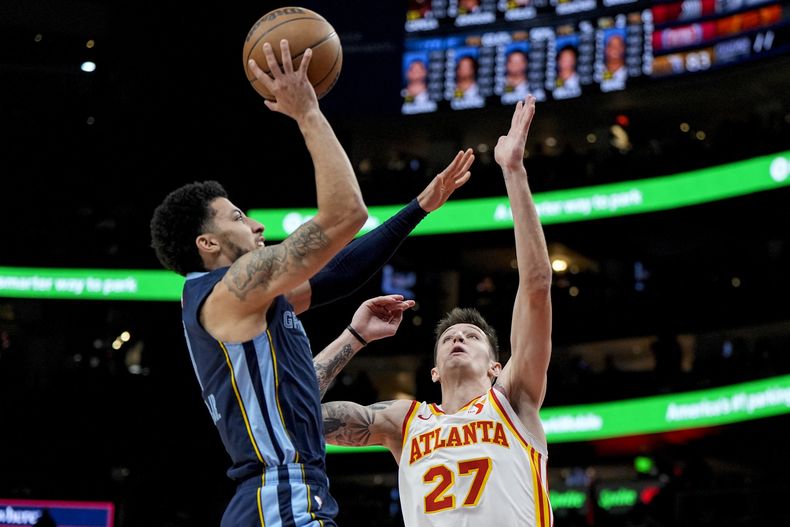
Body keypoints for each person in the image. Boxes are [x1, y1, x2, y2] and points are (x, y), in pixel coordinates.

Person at [149, 38, 476, 527]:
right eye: (238, 217)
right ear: (208, 244)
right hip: (282, 499)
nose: (256, 226)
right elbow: (346, 213)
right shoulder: (225, 293)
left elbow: (341, 274)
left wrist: (419, 208)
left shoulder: (249, 304)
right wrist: (307, 112)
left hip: (279, 500)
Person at [321, 96, 554, 526]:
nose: (458, 338)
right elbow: (294, 413)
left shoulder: (513, 400)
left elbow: (537, 287)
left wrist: (514, 171)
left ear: (496, 367)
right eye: (448, 338)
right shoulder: (403, 420)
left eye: (471, 337)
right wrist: (353, 338)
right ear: (433, 372)